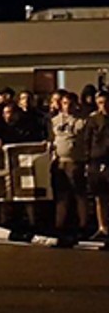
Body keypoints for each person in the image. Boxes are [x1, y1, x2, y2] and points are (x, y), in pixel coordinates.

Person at [49, 92, 90, 233]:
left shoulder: (83, 121)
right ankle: (59, 224)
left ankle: (83, 224)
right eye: (65, 103)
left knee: (79, 194)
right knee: (61, 195)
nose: (68, 107)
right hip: (59, 161)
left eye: (71, 104)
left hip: (76, 161)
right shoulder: (54, 121)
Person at [88, 91, 109, 239]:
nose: (104, 106)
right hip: (96, 161)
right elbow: (86, 142)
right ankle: (102, 226)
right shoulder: (93, 120)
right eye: (101, 103)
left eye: (106, 102)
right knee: (99, 196)